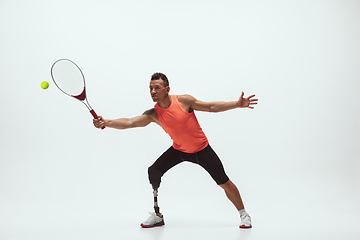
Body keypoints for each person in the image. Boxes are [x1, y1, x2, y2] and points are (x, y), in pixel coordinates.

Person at [93, 73, 258, 228]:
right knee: (154, 171)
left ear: (167, 89)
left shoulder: (184, 101)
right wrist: (106, 122)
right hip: (179, 150)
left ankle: (244, 214)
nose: (153, 91)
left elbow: (210, 106)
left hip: (202, 149)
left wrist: (237, 104)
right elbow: (130, 122)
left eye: (157, 87)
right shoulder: (153, 114)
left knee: (224, 182)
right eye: (150, 88)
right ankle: (158, 215)